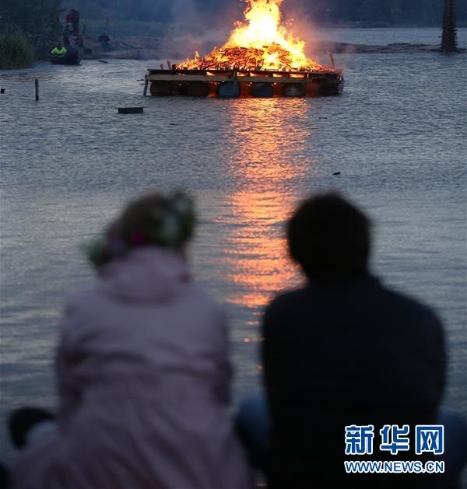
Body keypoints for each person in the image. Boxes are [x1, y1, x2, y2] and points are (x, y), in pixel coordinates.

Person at [7, 192, 253, 489]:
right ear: (181, 243)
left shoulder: (84, 305)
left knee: (25, 423)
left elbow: (70, 400)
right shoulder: (206, 308)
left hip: (100, 462)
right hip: (195, 462)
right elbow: (218, 395)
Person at [238, 192, 467, 488]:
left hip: (310, 465)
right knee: (452, 425)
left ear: (294, 252)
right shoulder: (421, 317)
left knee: (251, 410)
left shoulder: (283, 313)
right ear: (366, 246)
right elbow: (427, 400)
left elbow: (279, 396)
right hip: (393, 463)